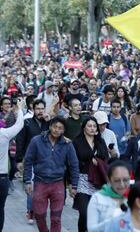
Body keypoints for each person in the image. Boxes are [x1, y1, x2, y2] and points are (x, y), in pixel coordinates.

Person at [23, 116, 79, 232]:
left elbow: (74, 165)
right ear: (50, 126)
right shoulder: (36, 141)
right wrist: (27, 180)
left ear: (63, 130)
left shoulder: (67, 144)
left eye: (60, 128)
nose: (56, 130)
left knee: (56, 219)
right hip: (39, 182)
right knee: (39, 215)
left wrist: (74, 185)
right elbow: (28, 161)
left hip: (58, 184)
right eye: (55, 127)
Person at [72, 117, 109, 232]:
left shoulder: (100, 141)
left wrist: (98, 161)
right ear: (84, 127)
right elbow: (72, 162)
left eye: (94, 126)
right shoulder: (76, 142)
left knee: (95, 214)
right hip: (82, 179)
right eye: (89, 126)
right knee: (84, 213)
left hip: (97, 180)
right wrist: (71, 183)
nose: (92, 128)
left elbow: (106, 157)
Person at [0, 99, 24, 230]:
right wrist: (19, 108)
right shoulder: (3, 134)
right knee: (0, 209)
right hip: (2, 179)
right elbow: (20, 124)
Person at [87, 160, 130, 232]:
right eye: (117, 180)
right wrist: (114, 221)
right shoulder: (97, 198)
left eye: (125, 180)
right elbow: (91, 229)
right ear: (109, 180)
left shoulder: (135, 199)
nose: (122, 184)